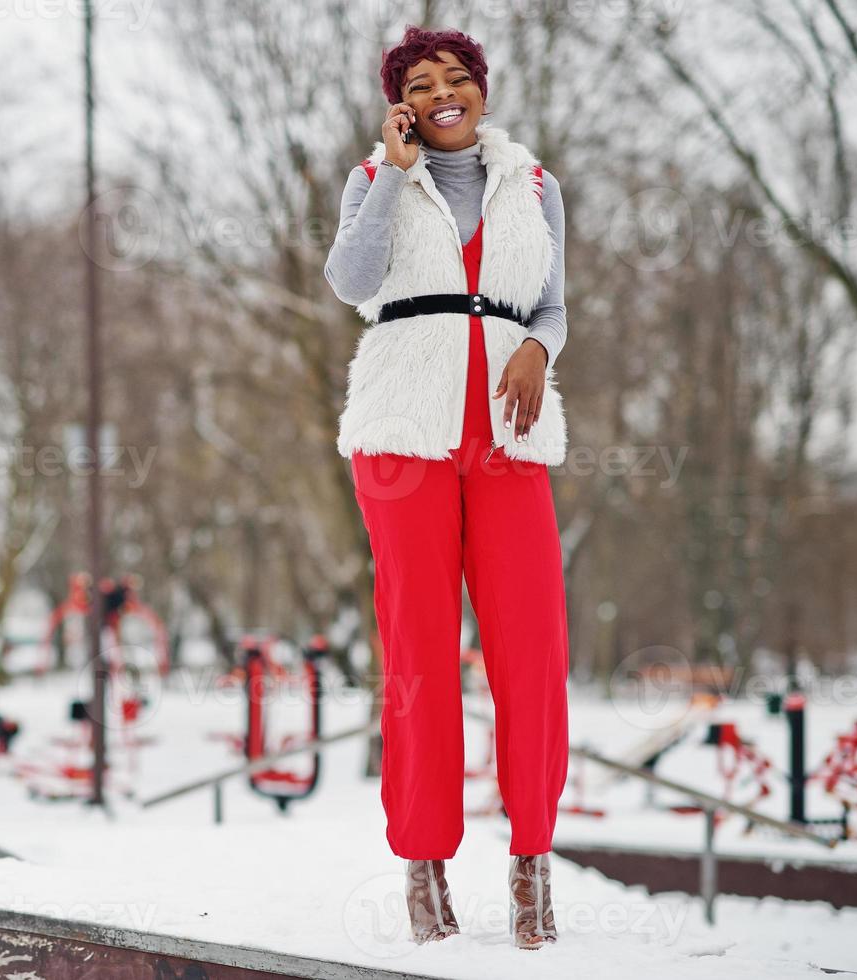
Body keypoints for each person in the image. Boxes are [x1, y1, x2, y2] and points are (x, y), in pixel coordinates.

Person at [323, 25, 570, 950]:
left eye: (455, 78)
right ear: (401, 104)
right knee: (417, 650)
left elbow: (552, 300)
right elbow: (350, 281)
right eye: (420, 84)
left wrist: (538, 349)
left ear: (482, 91)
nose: (441, 94)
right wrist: (389, 172)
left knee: (532, 648)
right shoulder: (374, 178)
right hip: (402, 436)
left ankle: (532, 871)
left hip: (507, 434)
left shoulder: (535, 188)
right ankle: (423, 872)